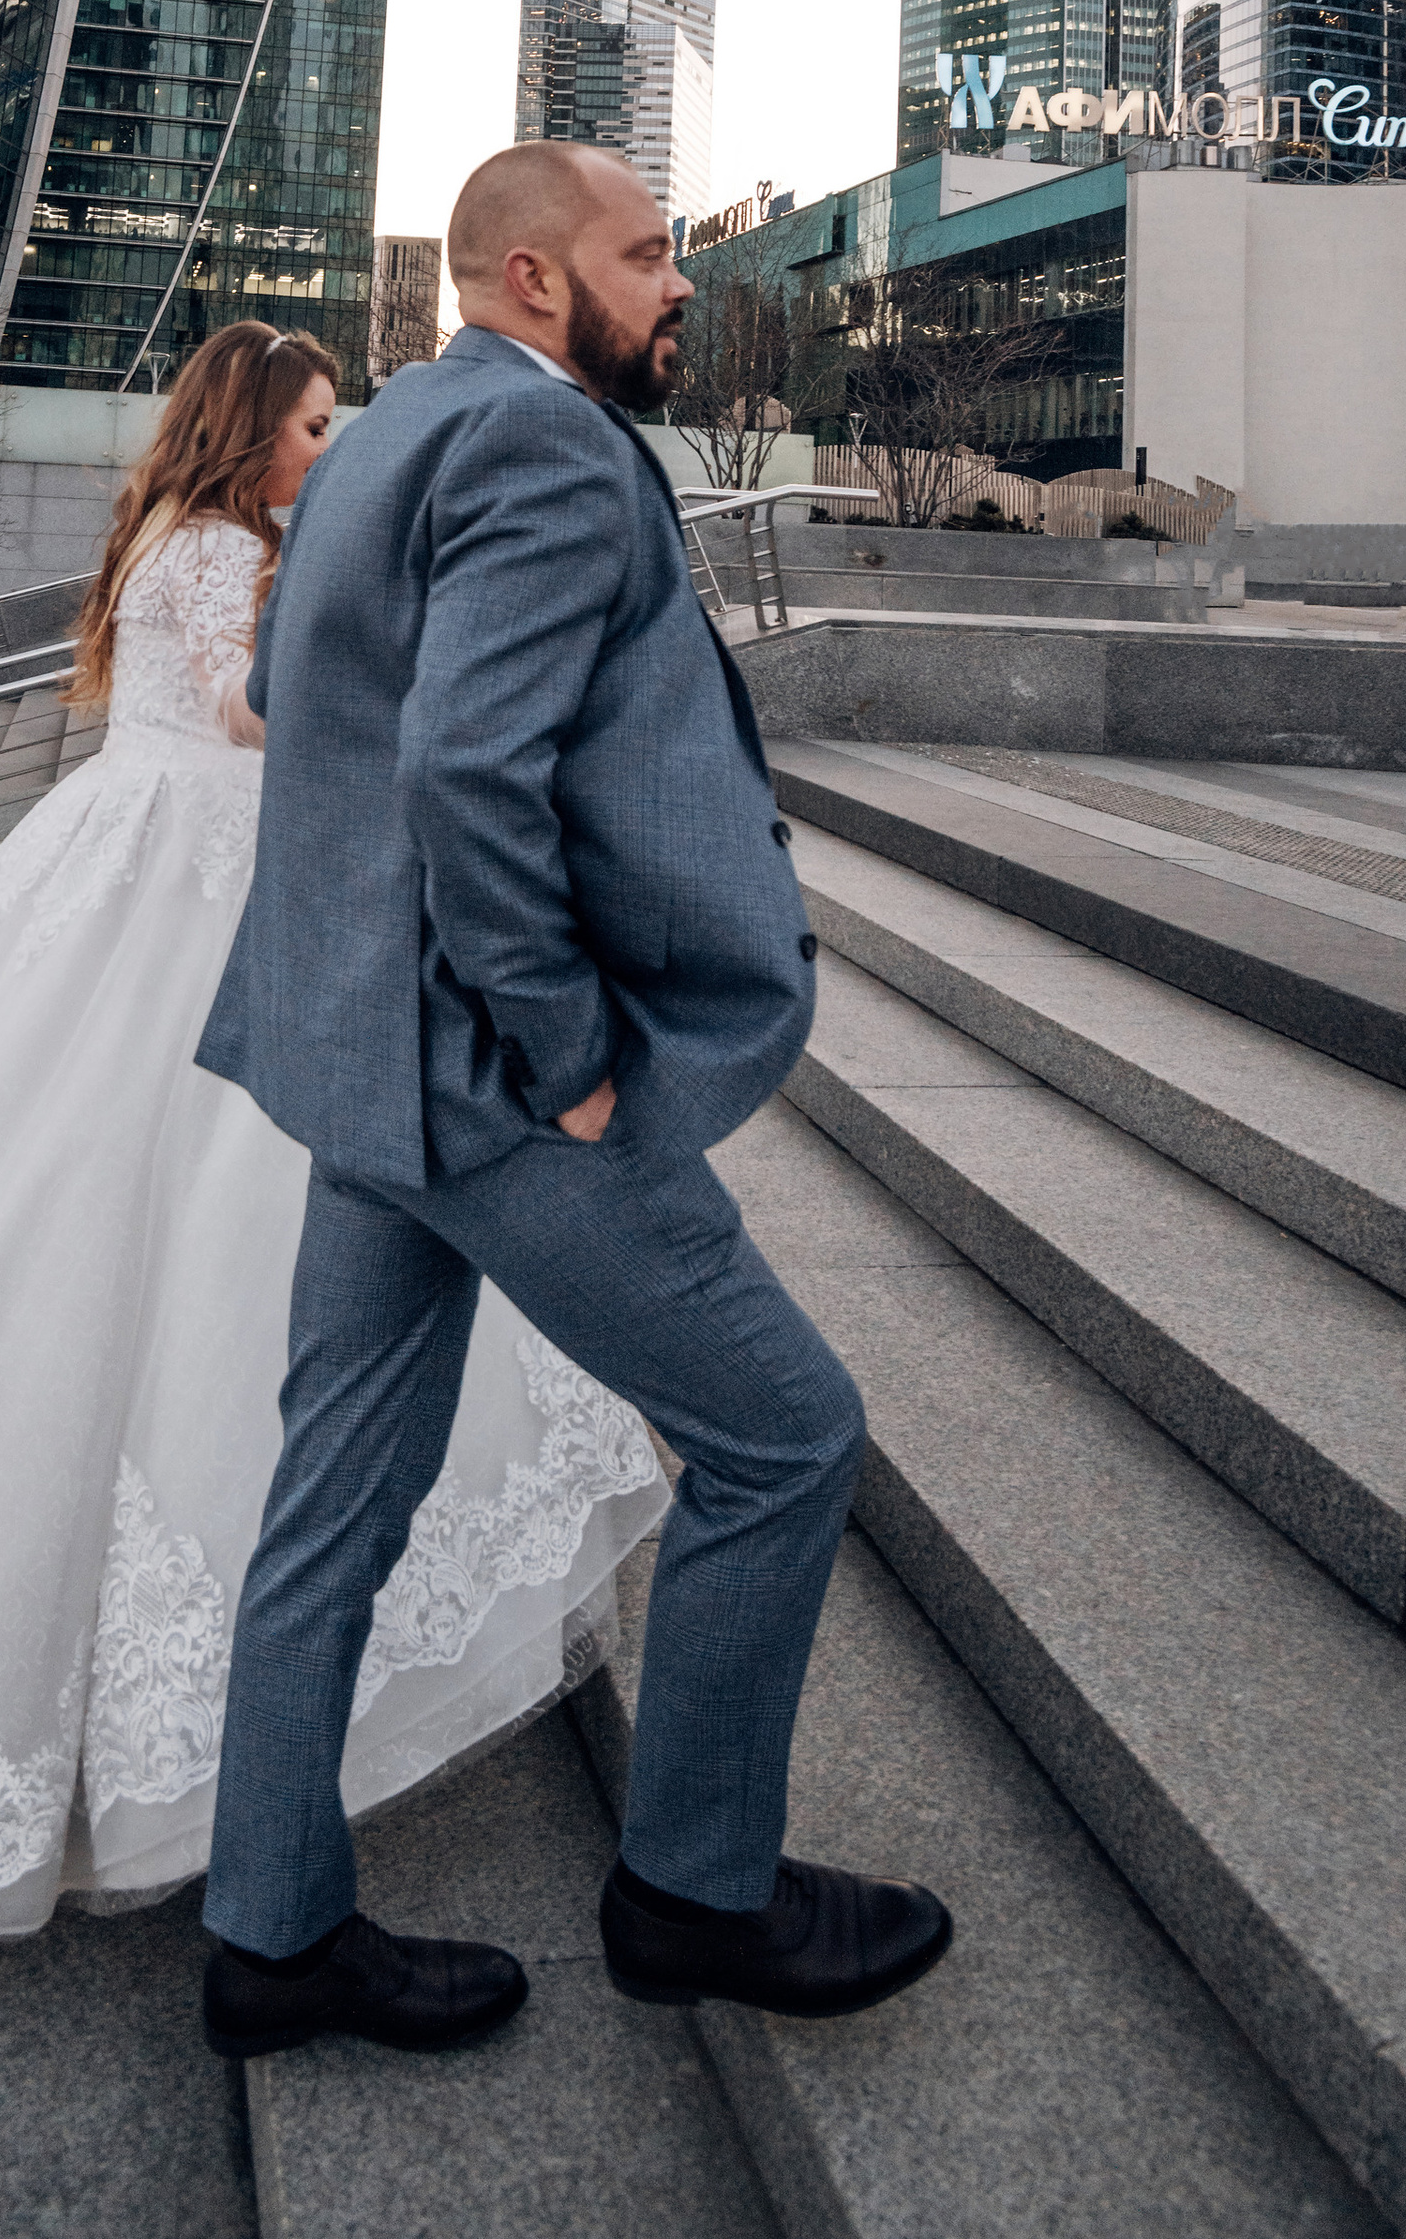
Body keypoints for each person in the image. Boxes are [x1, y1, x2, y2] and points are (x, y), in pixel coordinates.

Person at [0, 319, 668, 1954]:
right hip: (197, 885)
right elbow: (247, 717)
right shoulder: (215, 547)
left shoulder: (177, 532)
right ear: (246, 433)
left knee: (96, 1200)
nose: (327, 452)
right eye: (311, 428)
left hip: (134, 868)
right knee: (182, 1210)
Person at [193, 146, 952, 2061]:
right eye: (649, 254)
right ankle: (696, 1892)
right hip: (495, 1088)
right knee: (785, 1439)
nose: (682, 283)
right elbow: (465, 766)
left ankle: (270, 1935)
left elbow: (294, 685)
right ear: (535, 279)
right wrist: (567, 1056)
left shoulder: (379, 431)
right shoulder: (542, 442)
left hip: (365, 1062)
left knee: (332, 1505)